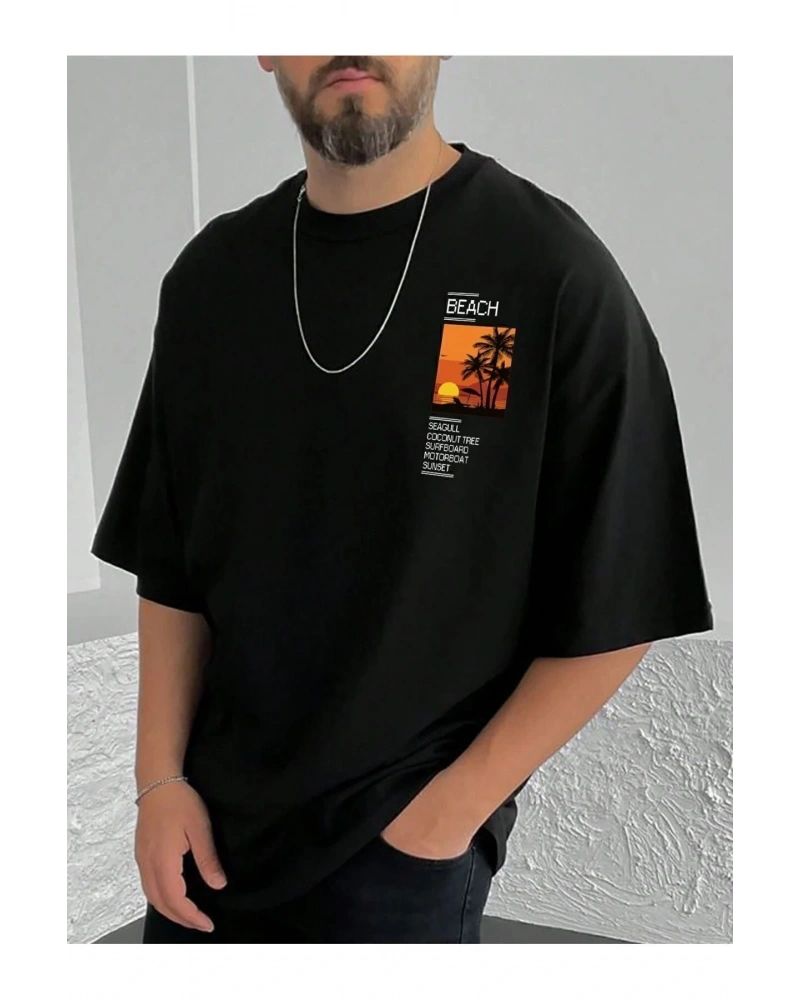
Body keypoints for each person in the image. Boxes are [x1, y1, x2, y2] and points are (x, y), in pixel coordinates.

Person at [90, 55, 714, 944]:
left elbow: (629, 587)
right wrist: (158, 783)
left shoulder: (544, 270)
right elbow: (172, 565)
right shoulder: (212, 280)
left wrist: (448, 816)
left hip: (399, 854)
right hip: (207, 836)